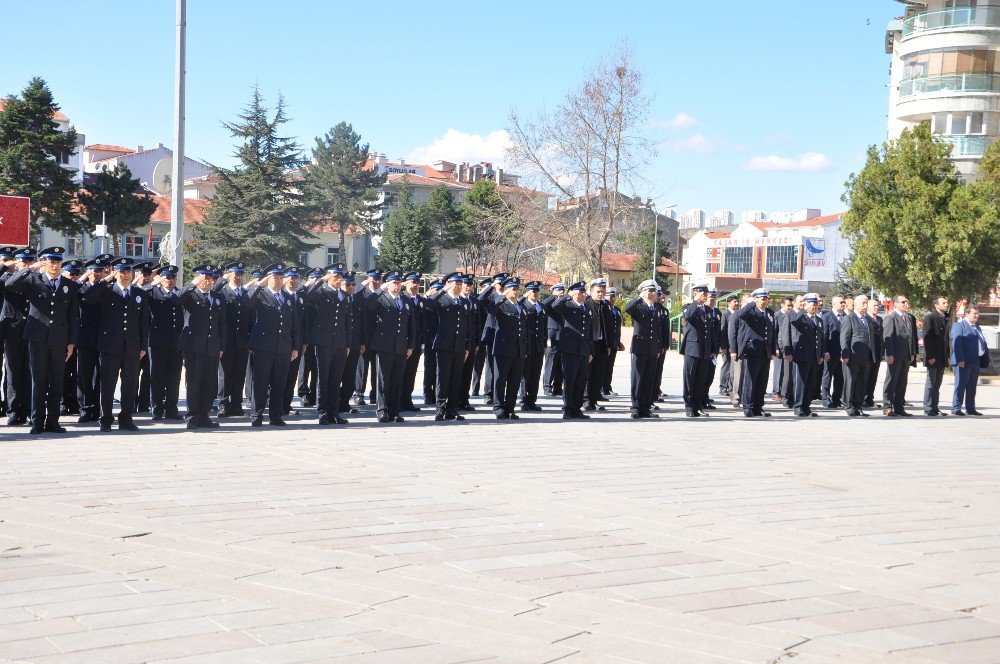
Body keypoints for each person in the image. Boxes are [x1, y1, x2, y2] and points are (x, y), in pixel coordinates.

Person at [3, 247, 79, 434]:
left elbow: (73, 317)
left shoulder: (69, 285)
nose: (54, 266)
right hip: (37, 338)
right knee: (38, 381)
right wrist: (29, 268)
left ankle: (53, 421)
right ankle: (37, 421)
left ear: (61, 263)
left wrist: (71, 342)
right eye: (50, 262)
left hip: (59, 339)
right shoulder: (34, 280)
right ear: (45, 262)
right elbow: (10, 284)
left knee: (56, 381)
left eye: (57, 262)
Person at [82, 257, 150, 432]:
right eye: (122, 271)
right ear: (116, 272)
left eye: (128, 272)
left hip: (132, 347)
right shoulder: (107, 291)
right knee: (107, 384)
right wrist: (105, 279)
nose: (125, 275)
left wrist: (143, 345)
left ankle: (126, 418)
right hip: (110, 345)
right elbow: (88, 297)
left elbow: (143, 322)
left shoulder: (139, 294)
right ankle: (105, 418)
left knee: (129, 384)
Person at [246, 263, 300, 427]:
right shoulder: (260, 295)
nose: (277, 280)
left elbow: (295, 325)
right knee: (260, 382)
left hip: (283, 347)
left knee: (279, 383)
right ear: (268, 278)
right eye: (274, 277)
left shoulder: (289, 297)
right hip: (263, 346)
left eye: (280, 277)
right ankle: (257, 414)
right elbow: (246, 302)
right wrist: (258, 285)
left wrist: (295, 347)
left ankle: (276, 415)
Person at [300, 262, 352, 425]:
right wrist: (321, 280)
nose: (338, 280)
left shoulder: (344, 295)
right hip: (323, 342)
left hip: (340, 343)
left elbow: (347, 322)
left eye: (340, 277)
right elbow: (306, 294)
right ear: (329, 277)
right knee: (323, 378)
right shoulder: (321, 292)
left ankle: (334, 412)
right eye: (335, 277)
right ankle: (322, 412)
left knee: (336, 379)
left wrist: (348, 343)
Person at [177, 265, 226, 430]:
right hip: (193, 346)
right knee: (193, 382)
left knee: (209, 383)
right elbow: (176, 299)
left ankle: (204, 415)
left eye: (210, 278)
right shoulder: (190, 295)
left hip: (212, 346)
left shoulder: (217, 297)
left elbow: (222, 324)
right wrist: (192, 284)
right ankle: (192, 416)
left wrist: (221, 345)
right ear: (199, 279)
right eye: (204, 278)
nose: (208, 281)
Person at [363, 270, 416, 423]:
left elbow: (411, 325)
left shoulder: (406, 300)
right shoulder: (381, 299)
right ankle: (382, 410)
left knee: (397, 380)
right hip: (384, 345)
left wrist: (410, 345)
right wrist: (380, 289)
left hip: (401, 346)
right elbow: (368, 304)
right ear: (388, 284)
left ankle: (394, 411)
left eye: (399, 283)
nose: (397, 286)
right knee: (383, 380)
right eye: (394, 283)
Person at [423, 272, 473, 421]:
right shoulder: (442, 299)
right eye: (455, 283)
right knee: (442, 378)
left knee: (455, 378)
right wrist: (443, 290)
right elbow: (429, 303)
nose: (458, 286)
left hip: (458, 345)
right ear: (448, 284)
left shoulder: (464, 302)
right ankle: (440, 409)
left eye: (459, 283)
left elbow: (467, 326)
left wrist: (467, 346)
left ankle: (452, 409)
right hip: (444, 345)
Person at [545, 281, 596, 419]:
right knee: (569, 380)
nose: (582, 294)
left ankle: (576, 408)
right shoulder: (567, 305)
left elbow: (590, 332)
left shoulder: (587, 307)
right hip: (570, 349)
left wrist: (591, 351)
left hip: (584, 350)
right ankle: (567, 408)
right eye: (579, 292)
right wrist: (567, 295)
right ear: (574, 293)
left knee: (581, 380)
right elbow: (554, 305)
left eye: (583, 292)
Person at [75, 254, 113, 423]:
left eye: (101, 270)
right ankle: (85, 409)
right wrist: (103, 281)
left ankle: (97, 409)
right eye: (95, 270)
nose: (98, 274)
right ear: (88, 272)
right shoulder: (82, 288)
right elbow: (88, 298)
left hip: (103, 338)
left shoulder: (109, 288)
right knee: (84, 376)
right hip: (85, 338)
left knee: (101, 376)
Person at [1, 246, 36, 426]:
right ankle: (14, 411)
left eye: (30, 261)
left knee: (30, 371)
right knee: (13, 372)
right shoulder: (6, 278)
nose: (27, 264)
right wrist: (8, 266)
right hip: (12, 329)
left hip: (31, 328)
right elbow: (10, 283)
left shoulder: (35, 279)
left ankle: (31, 410)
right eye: (23, 261)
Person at [147, 264, 185, 421]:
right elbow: (138, 292)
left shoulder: (180, 294)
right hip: (157, 342)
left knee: (174, 378)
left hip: (176, 343)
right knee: (157, 376)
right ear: (161, 279)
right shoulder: (153, 293)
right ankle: (156, 408)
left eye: (173, 278)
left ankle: (171, 408)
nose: (170, 280)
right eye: (167, 278)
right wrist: (152, 283)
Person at [730, 289, 776, 417]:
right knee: (750, 380)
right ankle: (748, 406)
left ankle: (758, 407)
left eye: (767, 299)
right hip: (753, 350)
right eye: (763, 299)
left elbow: (773, 333)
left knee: (762, 381)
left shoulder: (770, 313)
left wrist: (773, 350)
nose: (765, 301)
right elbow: (740, 314)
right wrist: (752, 303)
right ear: (756, 299)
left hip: (765, 351)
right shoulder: (750, 312)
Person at [486, 277, 527, 420]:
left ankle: (510, 408)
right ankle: (498, 407)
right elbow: (488, 307)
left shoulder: (520, 306)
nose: (516, 291)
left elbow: (523, 328)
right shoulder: (500, 304)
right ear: (507, 289)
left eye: (517, 288)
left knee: (514, 380)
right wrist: (501, 295)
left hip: (518, 349)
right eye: (513, 288)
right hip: (503, 348)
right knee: (500, 380)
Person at [216, 262, 252, 417]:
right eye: (235, 274)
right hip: (227, 342)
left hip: (243, 342)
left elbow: (251, 318)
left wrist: (251, 341)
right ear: (229, 275)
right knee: (224, 375)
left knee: (239, 374)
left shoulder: (246, 294)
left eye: (240, 274)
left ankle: (236, 404)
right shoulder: (222, 292)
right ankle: (223, 404)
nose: (238, 277)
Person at [625, 280, 665, 418]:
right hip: (640, 347)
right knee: (638, 378)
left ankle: (645, 408)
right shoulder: (638, 306)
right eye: (649, 291)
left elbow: (658, 330)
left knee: (649, 379)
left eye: (653, 291)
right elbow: (627, 309)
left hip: (653, 348)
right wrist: (640, 297)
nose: (652, 293)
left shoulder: (658, 308)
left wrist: (659, 347)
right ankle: (635, 407)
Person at [785, 293, 827, 417]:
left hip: (814, 356)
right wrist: (804, 309)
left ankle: (806, 407)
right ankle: (798, 407)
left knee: (811, 383)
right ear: (806, 304)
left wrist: (820, 354)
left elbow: (821, 338)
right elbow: (793, 321)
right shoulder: (801, 318)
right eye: (813, 304)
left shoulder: (819, 320)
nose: (815, 307)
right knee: (801, 383)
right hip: (802, 356)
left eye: (816, 304)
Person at [681, 285, 713, 417]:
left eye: (706, 293)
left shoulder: (708, 310)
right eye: (702, 293)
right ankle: (689, 406)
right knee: (689, 378)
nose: (705, 295)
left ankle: (698, 405)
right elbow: (688, 316)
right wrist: (696, 301)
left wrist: (713, 348)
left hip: (705, 349)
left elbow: (711, 331)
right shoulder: (688, 307)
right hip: (692, 348)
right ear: (695, 293)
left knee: (701, 380)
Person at [882, 294, 917, 417]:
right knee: (891, 381)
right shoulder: (891, 318)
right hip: (895, 356)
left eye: (907, 301)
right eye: (903, 302)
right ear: (895, 304)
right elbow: (888, 338)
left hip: (906, 356)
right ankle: (887, 406)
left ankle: (899, 407)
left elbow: (911, 337)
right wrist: (889, 354)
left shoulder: (908, 318)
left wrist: (913, 353)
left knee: (902, 382)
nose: (906, 304)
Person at [950, 306, 989, 416]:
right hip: (963, 362)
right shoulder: (959, 326)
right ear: (967, 314)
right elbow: (957, 344)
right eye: (974, 313)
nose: (977, 315)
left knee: (972, 387)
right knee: (960, 385)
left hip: (975, 361)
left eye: (977, 313)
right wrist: (960, 359)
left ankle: (970, 408)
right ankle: (956, 408)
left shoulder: (977, 327)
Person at [353, 268, 383, 406]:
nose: (376, 282)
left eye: (378, 279)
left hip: (379, 336)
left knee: (377, 368)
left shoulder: (383, 292)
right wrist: (363, 284)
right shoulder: (362, 293)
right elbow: (355, 298)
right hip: (365, 335)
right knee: (362, 367)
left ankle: (374, 394)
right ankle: (359, 394)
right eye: (374, 279)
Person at [840, 294, 873, 417]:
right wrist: (845, 354)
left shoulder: (867, 319)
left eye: (866, 303)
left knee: (861, 382)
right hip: (852, 356)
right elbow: (844, 338)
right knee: (850, 381)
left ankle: (858, 405)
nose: (865, 306)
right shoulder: (849, 318)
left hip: (865, 357)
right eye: (863, 303)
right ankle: (848, 405)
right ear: (856, 304)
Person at [59, 259, 83, 417]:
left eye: (77, 274)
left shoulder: (80, 288)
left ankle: (73, 402)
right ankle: (62, 402)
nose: (74, 277)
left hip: (79, 337)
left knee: (76, 372)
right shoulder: (60, 288)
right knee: (61, 371)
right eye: (71, 274)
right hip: (63, 336)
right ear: (63, 273)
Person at [296, 268, 323, 408]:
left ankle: (314, 394)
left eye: (319, 280)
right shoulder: (304, 295)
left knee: (317, 367)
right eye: (314, 280)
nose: (317, 283)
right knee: (305, 367)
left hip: (320, 338)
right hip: (307, 337)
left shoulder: (322, 295)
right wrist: (307, 284)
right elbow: (300, 292)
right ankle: (303, 393)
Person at [585, 279, 613, 412]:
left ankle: (594, 399)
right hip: (591, 343)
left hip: (602, 344)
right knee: (587, 374)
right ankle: (586, 400)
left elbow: (609, 327)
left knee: (598, 373)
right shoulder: (586, 304)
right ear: (591, 292)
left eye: (603, 291)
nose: (601, 294)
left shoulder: (606, 305)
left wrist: (609, 345)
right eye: (598, 291)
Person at [339, 272, 365, 415]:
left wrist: (363, 342)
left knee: (350, 375)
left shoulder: (358, 300)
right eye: (347, 284)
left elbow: (362, 322)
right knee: (337, 375)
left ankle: (345, 402)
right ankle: (333, 402)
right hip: (339, 344)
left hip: (354, 344)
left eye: (353, 284)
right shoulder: (336, 298)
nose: (351, 287)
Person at [519, 281, 547, 411]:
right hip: (527, 345)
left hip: (539, 346)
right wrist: (523, 296)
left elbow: (544, 327)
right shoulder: (522, 305)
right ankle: (524, 399)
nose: (535, 294)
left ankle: (532, 400)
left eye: (536, 291)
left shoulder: (541, 306)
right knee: (526, 374)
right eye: (532, 291)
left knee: (536, 373)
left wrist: (545, 344)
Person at [400, 272, 425, 412]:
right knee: (400, 373)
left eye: (417, 282)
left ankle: (407, 400)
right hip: (402, 342)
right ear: (406, 283)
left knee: (411, 373)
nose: (415, 285)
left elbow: (423, 324)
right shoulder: (401, 298)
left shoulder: (420, 300)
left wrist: (422, 344)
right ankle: (398, 401)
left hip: (415, 342)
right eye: (412, 282)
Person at [132, 262, 155, 413]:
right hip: (135, 338)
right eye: (143, 275)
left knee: (148, 373)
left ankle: (144, 403)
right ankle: (131, 403)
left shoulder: (153, 291)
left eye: (148, 275)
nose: (146, 278)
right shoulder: (133, 291)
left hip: (150, 338)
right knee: (132, 373)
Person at [923, 296, 951, 416]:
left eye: (946, 302)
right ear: (936, 305)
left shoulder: (944, 318)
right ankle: (928, 407)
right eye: (943, 303)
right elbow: (927, 338)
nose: (946, 304)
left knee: (937, 384)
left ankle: (935, 406)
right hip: (933, 356)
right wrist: (930, 356)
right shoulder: (930, 317)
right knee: (931, 382)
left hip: (942, 356)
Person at [821, 295, 847, 408]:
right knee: (827, 376)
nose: (843, 304)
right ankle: (826, 398)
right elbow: (824, 336)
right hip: (830, 353)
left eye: (844, 302)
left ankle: (837, 399)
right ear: (834, 304)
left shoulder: (846, 316)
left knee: (840, 378)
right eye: (841, 302)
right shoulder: (827, 317)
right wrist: (825, 351)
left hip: (842, 354)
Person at [542, 283, 566, 395]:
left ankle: (557, 386)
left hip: (563, 335)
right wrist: (554, 296)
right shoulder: (550, 301)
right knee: (551, 361)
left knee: (561, 363)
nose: (560, 293)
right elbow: (542, 305)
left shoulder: (564, 302)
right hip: (553, 335)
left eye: (562, 291)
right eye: (558, 291)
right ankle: (547, 387)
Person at [422, 279, 442, 406]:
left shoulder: (444, 302)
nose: (439, 292)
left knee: (440, 369)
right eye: (436, 290)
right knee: (429, 368)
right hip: (430, 340)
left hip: (442, 339)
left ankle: (437, 393)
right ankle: (427, 394)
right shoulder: (427, 302)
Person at [602, 287, 624, 397]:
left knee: (610, 366)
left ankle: (607, 386)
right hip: (606, 343)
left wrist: (619, 342)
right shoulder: (604, 308)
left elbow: (617, 327)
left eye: (613, 296)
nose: (612, 298)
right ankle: (602, 387)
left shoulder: (617, 310)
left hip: (614, 342)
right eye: (609, 296)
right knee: (603, 366)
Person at [771, 297, 792, 401]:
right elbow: (774, 332)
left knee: (786, 371)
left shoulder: (790, 315)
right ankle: (776, 392)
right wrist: (775, 347)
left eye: (791, 305)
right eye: (788, 305)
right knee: (778, 370)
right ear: (782, 305)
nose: (790, 307)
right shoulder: (777, 315)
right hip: (779, 347)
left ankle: (784, 391)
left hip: (787, 347)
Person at [718, 296, 738, 397]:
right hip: (727, 345)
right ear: (728, 303)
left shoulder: (737, 314)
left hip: (734, 346)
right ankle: (723, 387)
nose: (736, 303)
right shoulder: (725, 314)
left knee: (733, 368)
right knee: (726, 366)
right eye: (734, 302)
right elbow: (723, 331)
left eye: (737, 301)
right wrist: (724, 346)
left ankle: (730, 387)